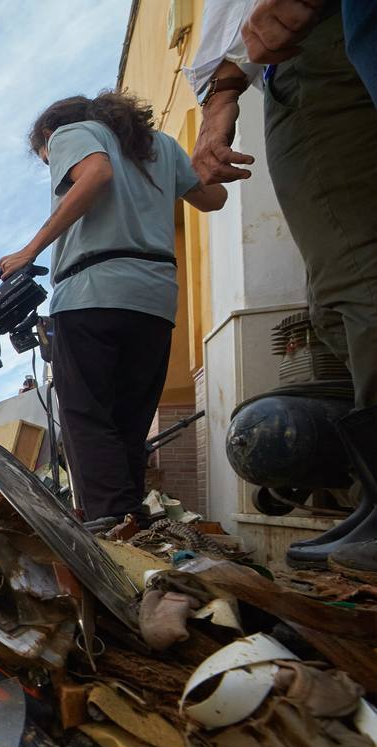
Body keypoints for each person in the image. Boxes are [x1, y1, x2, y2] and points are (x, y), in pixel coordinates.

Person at [188, 0, 377, 577]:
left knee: (355, 273)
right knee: (335, 298)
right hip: (315, 41)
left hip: (318, 40)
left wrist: (221, 94)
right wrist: (222, 95)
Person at [0, 91, 226, 530]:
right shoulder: (159, 144)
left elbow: (97, 173)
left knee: (86, 413)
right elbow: (213, 197)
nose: (54, 168)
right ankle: (129, 518)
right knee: (129, 419)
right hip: (155, 298)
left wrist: (30, 249)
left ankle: (111, 521)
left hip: (91, 290)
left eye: (47, 160)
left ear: (48, 133)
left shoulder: (70, 132)